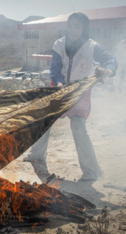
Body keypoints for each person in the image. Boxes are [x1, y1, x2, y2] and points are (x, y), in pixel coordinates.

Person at [25, 12, 118, 182]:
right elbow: (55, 68)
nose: (73, 30)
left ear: (84, 28)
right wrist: (60, 84)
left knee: (79, 128)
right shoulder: (59, 44)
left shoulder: (92, 46)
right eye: (70, 25)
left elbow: (111, 61)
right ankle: (37, 156)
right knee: (44, 121)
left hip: (79, 93)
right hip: (59, 90)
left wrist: (108, 71)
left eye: (77, 26)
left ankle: (92, 171)